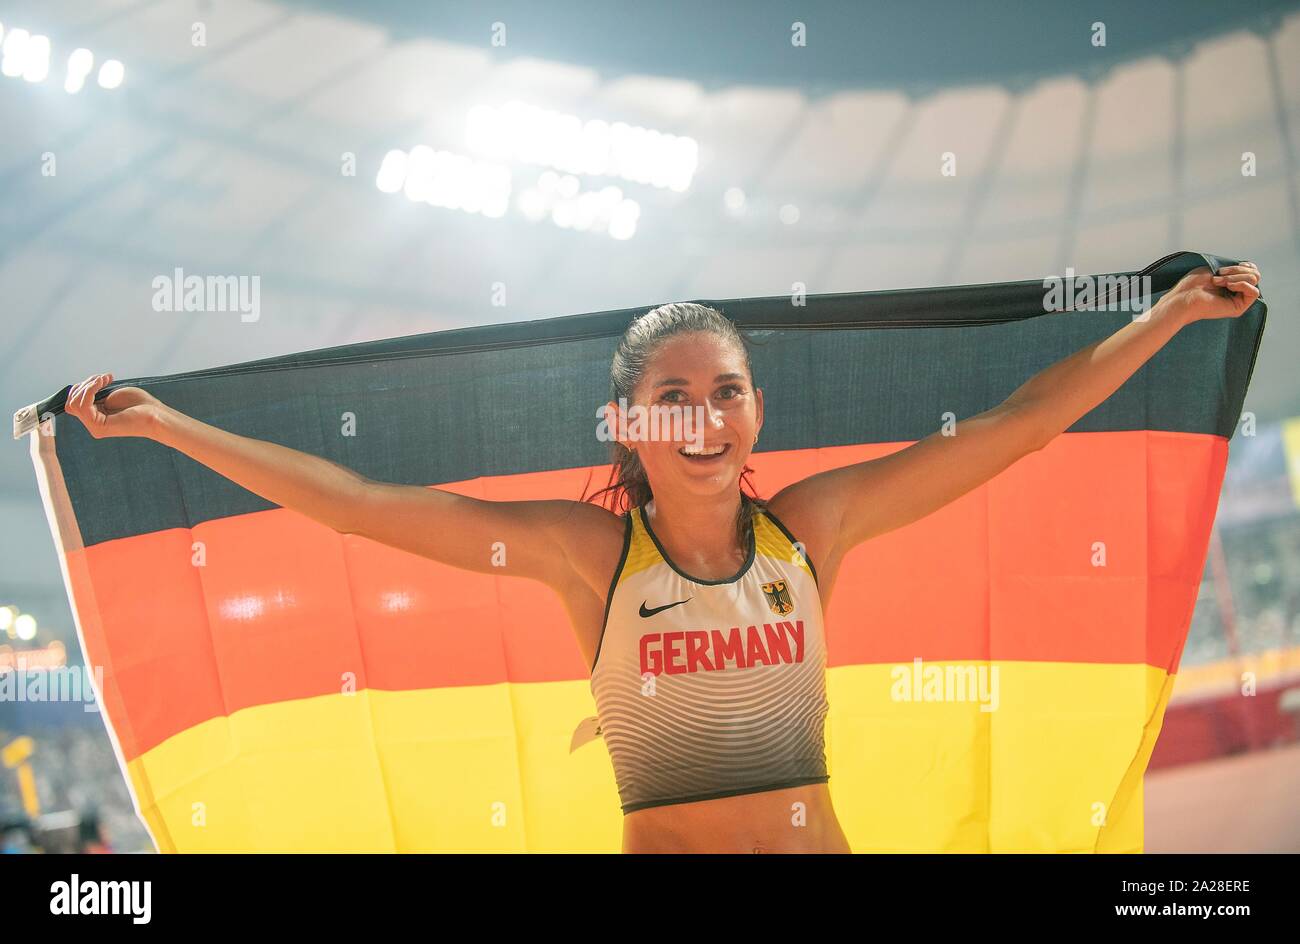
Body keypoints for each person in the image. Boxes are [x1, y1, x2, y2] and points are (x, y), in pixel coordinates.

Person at [64, 262, 1261, 853]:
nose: (703, 414)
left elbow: (1014, 428)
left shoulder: (812, 527)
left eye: (724, 391)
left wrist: (1163, 317)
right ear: (628, 422)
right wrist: (165, 422)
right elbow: (359, 502)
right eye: (670, 395)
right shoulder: (586, 556)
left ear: (755, 410)